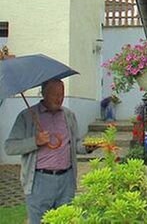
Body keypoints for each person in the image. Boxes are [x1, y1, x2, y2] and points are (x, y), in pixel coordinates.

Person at [4, 79, 98, 224]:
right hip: (40, 182)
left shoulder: (68, 115)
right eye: (55, 94)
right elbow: (10, 147)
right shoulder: (27, 116)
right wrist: (35, 141)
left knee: (67, 220)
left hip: (67, 180)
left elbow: (74, 143)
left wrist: (86, 147)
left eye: (62, 94)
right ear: (43, 94)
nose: (59, 98)